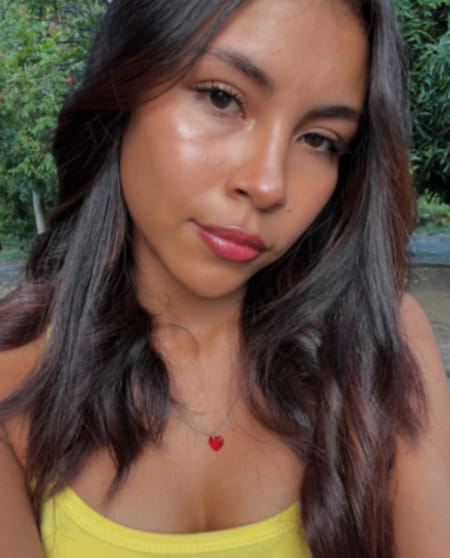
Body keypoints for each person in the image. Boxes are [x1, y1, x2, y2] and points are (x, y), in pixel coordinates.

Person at [0, 0, 449, 556]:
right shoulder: (13, 379)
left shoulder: (380, 348)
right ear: (124, 86)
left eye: (319, 140)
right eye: (222, 97)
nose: (269, 185)